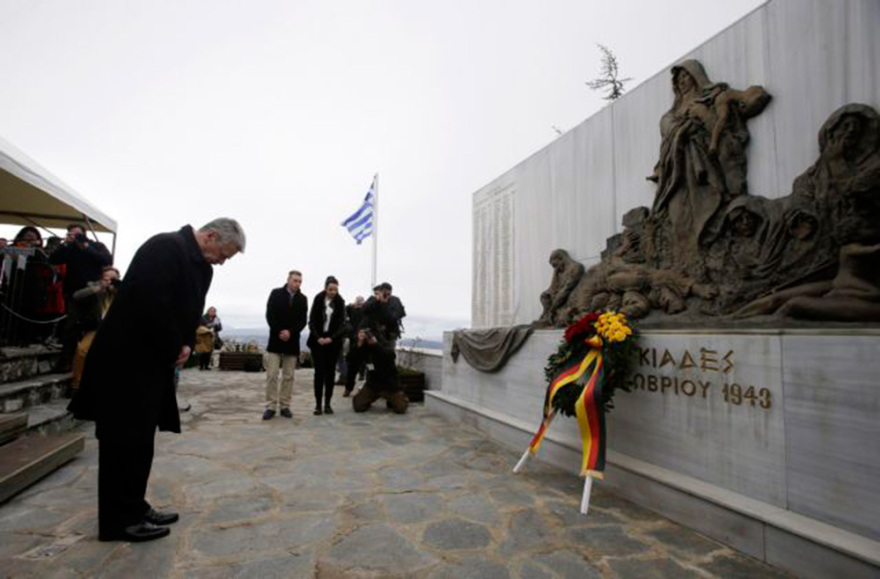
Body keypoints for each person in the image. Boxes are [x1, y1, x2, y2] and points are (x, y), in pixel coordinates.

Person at [68, 218, 245, 543]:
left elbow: (191, 311)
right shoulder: (164, 248)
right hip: (124, 361)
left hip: (152, 363)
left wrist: (187, 343)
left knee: (140, 440)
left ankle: (135, 506)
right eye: (224, 253)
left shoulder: (202, 268)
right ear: (210, 236)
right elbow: (150, 303)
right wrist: (174, 344)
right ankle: (117, 522)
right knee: (120, 441)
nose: (223, 261)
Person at [49, 223, 112, 369]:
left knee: (94, 324)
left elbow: (106, 260)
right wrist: (65, 245)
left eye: (77, 234)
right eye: (71, 233)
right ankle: (65, 362)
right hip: (74, 293)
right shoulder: (69, 249)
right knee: (71, 327)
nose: (75, 236)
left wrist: (86, 247)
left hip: (94, 291)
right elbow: (53, 259)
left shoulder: (97, 246)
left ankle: (91, 362)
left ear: (84, 234)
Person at [352, 286, 408, 414]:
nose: (381, 296)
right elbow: (355, 356)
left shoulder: (393, 306)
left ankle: (397, 396)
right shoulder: (369, 314)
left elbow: (390, 355)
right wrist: (359, 342)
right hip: (373, 382)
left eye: (385, 294)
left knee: (401, 408)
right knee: (358, 406)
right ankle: (371, 394)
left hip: (389, 382)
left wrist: (375, 344)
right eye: (378, 294)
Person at [263, 271, 308, 419]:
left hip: (292, 341)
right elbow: (270, 315)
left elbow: (302, 321)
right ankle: (270, 406)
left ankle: (285, 406)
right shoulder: (275, 293)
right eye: (295, 280)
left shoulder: (303, 299)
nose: (297, 283)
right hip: (275, 339)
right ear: (288, 280)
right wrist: (280, 331)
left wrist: (290, 332)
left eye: (300, 281)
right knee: (272, 375)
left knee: (288, 376)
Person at [71, 266, 120, 390]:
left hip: (113, 329)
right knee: (82, 350)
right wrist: (99, 288)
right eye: (107, 278)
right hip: (96, 327)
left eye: (113, 279)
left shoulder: (120, 290)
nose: (109, 281)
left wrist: (117, 290)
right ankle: (76, 384)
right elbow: (77, 296)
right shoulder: (95, 286)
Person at [306, 276, 346, 415]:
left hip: (333, 342)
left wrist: (331, 338)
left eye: (335, 289)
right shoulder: (318, 299)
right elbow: (311, 321)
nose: (333, 292)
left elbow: (343, 325)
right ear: (325, 288)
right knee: (319, 373)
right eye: (330, 289)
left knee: (330, 373)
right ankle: (318, 405)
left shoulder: (340, 302)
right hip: (318, 341)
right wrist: (318, 338)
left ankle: (327, 404)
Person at [342, 295, 365, 397]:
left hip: (365, 338)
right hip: (353, 340)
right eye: (357, 301)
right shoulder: (350, 309)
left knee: (367, 364)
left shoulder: (366, 311)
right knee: (352, 366)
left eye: (361, 302)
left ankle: (366, 386)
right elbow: (344, 313)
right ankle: (348, 388)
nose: (359, 303)